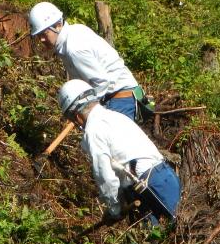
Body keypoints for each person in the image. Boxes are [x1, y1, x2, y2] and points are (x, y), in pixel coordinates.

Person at [58, 79, 180, 226]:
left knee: (164, 239)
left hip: (148, 185)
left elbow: (104, 174)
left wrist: (114, 209)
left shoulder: (93, 130)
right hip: (164, 174)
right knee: (182, 229)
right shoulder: (116, 116)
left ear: (77, 116)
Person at [29, 1, 142, 121]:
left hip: (120, 99)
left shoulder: (74, 48)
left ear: (57, 25)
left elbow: (101, 82)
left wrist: (84, 109)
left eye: (44, 33)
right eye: (38, 35)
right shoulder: (72, 36)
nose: (41, 39)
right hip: (114, 97)